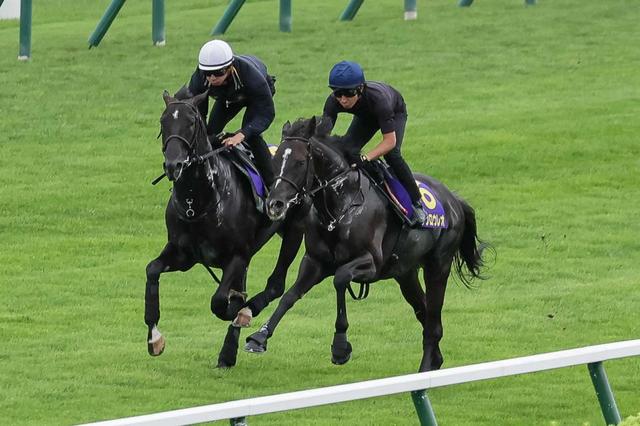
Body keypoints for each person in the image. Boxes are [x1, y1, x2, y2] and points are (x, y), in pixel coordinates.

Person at [322, 60, 426, 225]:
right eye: (337, 93)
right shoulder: (333, 102)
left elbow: (390, 142)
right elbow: (323, 134)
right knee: (347, 149)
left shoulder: (379, 100)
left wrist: (365, 158)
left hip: (394, 111)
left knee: (392, 155)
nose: (342, 99)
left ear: (360, 88)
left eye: (348, 93)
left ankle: (417, 202)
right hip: (366, 117)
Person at [183, 39, 276, 188]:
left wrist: (242, 134)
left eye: (218, 73)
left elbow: (266, 113)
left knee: (253, 137)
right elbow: (197, 111)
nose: (212, 78)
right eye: (207, 73)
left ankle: (272, 185)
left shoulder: (252, 77)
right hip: (227, 96)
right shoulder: (200, 79)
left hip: (255, 95)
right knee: (209, 134)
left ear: (229, 67)